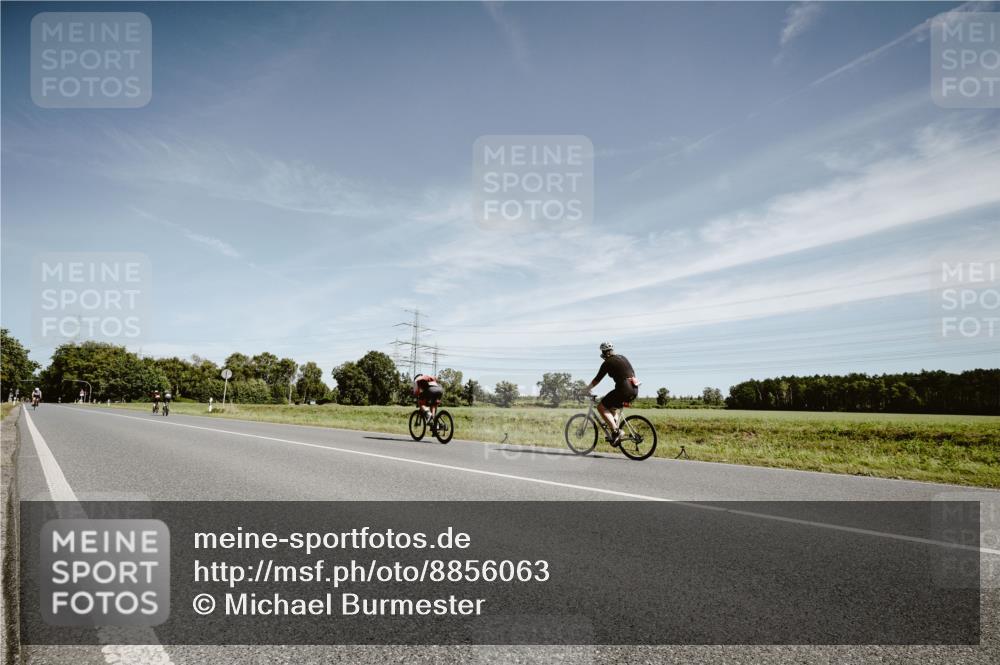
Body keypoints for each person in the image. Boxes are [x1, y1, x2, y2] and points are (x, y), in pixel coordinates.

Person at [586, 342, 640, 446]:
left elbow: (597, 379)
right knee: (611, 408)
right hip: (634, 388)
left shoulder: (608, 362)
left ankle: (616, 431)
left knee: (601, 407)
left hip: (624, 389)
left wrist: (586, 389)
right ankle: (616, 434)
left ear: (604, 352)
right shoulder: (622, 357)